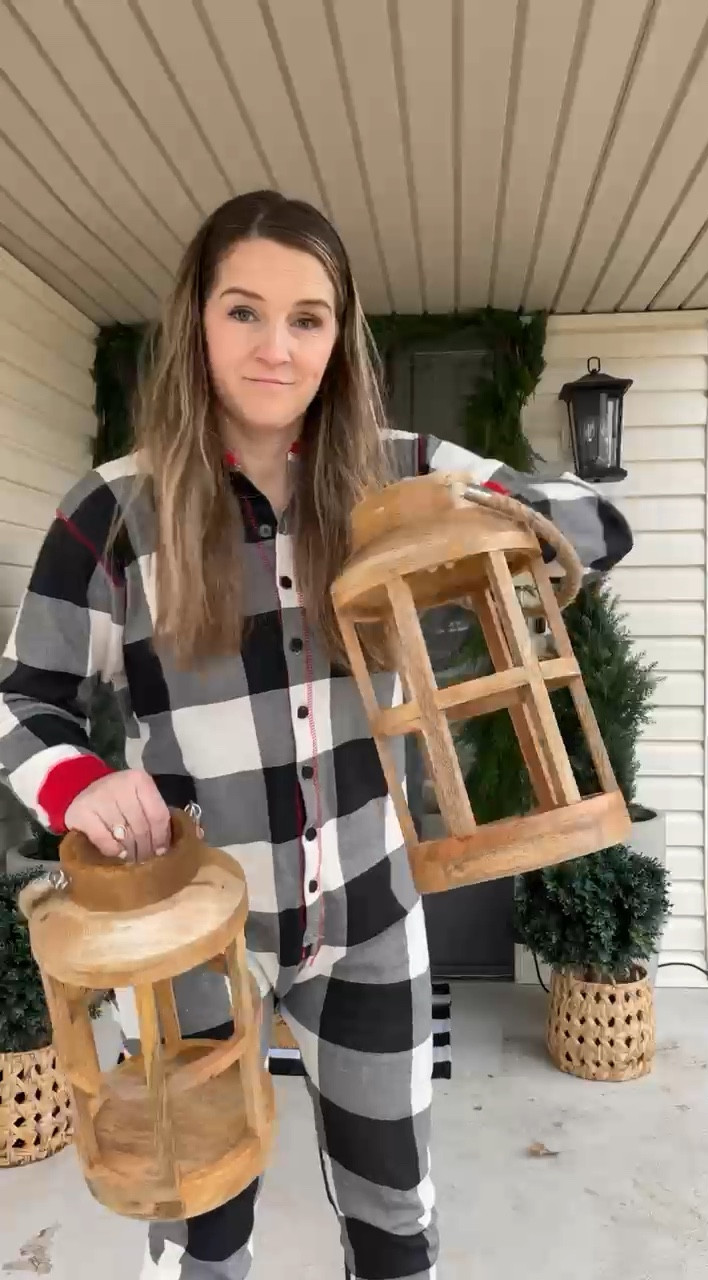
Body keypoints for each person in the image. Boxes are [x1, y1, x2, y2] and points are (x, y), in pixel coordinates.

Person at [0, 190, 632, 1279]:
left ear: (341, 339)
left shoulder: (397, 474)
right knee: (203, 1221)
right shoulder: (110, 512)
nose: (277, 347)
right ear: (196, 321)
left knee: (397, 1211)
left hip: (370, 914)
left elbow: (596, 526)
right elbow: (24, 701)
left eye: (309, 318)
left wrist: (477, 510)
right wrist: (76, 782)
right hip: (197, 938)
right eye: (244, 311)